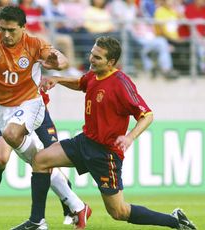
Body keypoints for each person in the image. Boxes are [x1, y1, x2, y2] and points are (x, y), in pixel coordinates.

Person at [12, 36, 197, 230]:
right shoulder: (94, 73)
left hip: (105, 154)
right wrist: (57, 79)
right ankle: (36, 222)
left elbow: (147, 115)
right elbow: (82, 83)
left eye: (97, 58)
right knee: (41, 160)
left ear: (111, 62)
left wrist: (129, 137)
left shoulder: (121, 84)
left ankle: (175, 221)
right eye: (92, 54)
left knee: (119, 212)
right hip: (84, 142)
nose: (91, 59)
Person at [0, 6, 87, 228]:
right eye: (1, 29)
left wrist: (58, 62)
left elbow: (62, 61)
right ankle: (75, 206)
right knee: (5, 159)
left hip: (32, 104)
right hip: (3, 110)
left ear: (23, 28)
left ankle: (65, 209)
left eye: (10, 30)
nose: (5, 34)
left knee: (45, 152)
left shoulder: (34, 43)